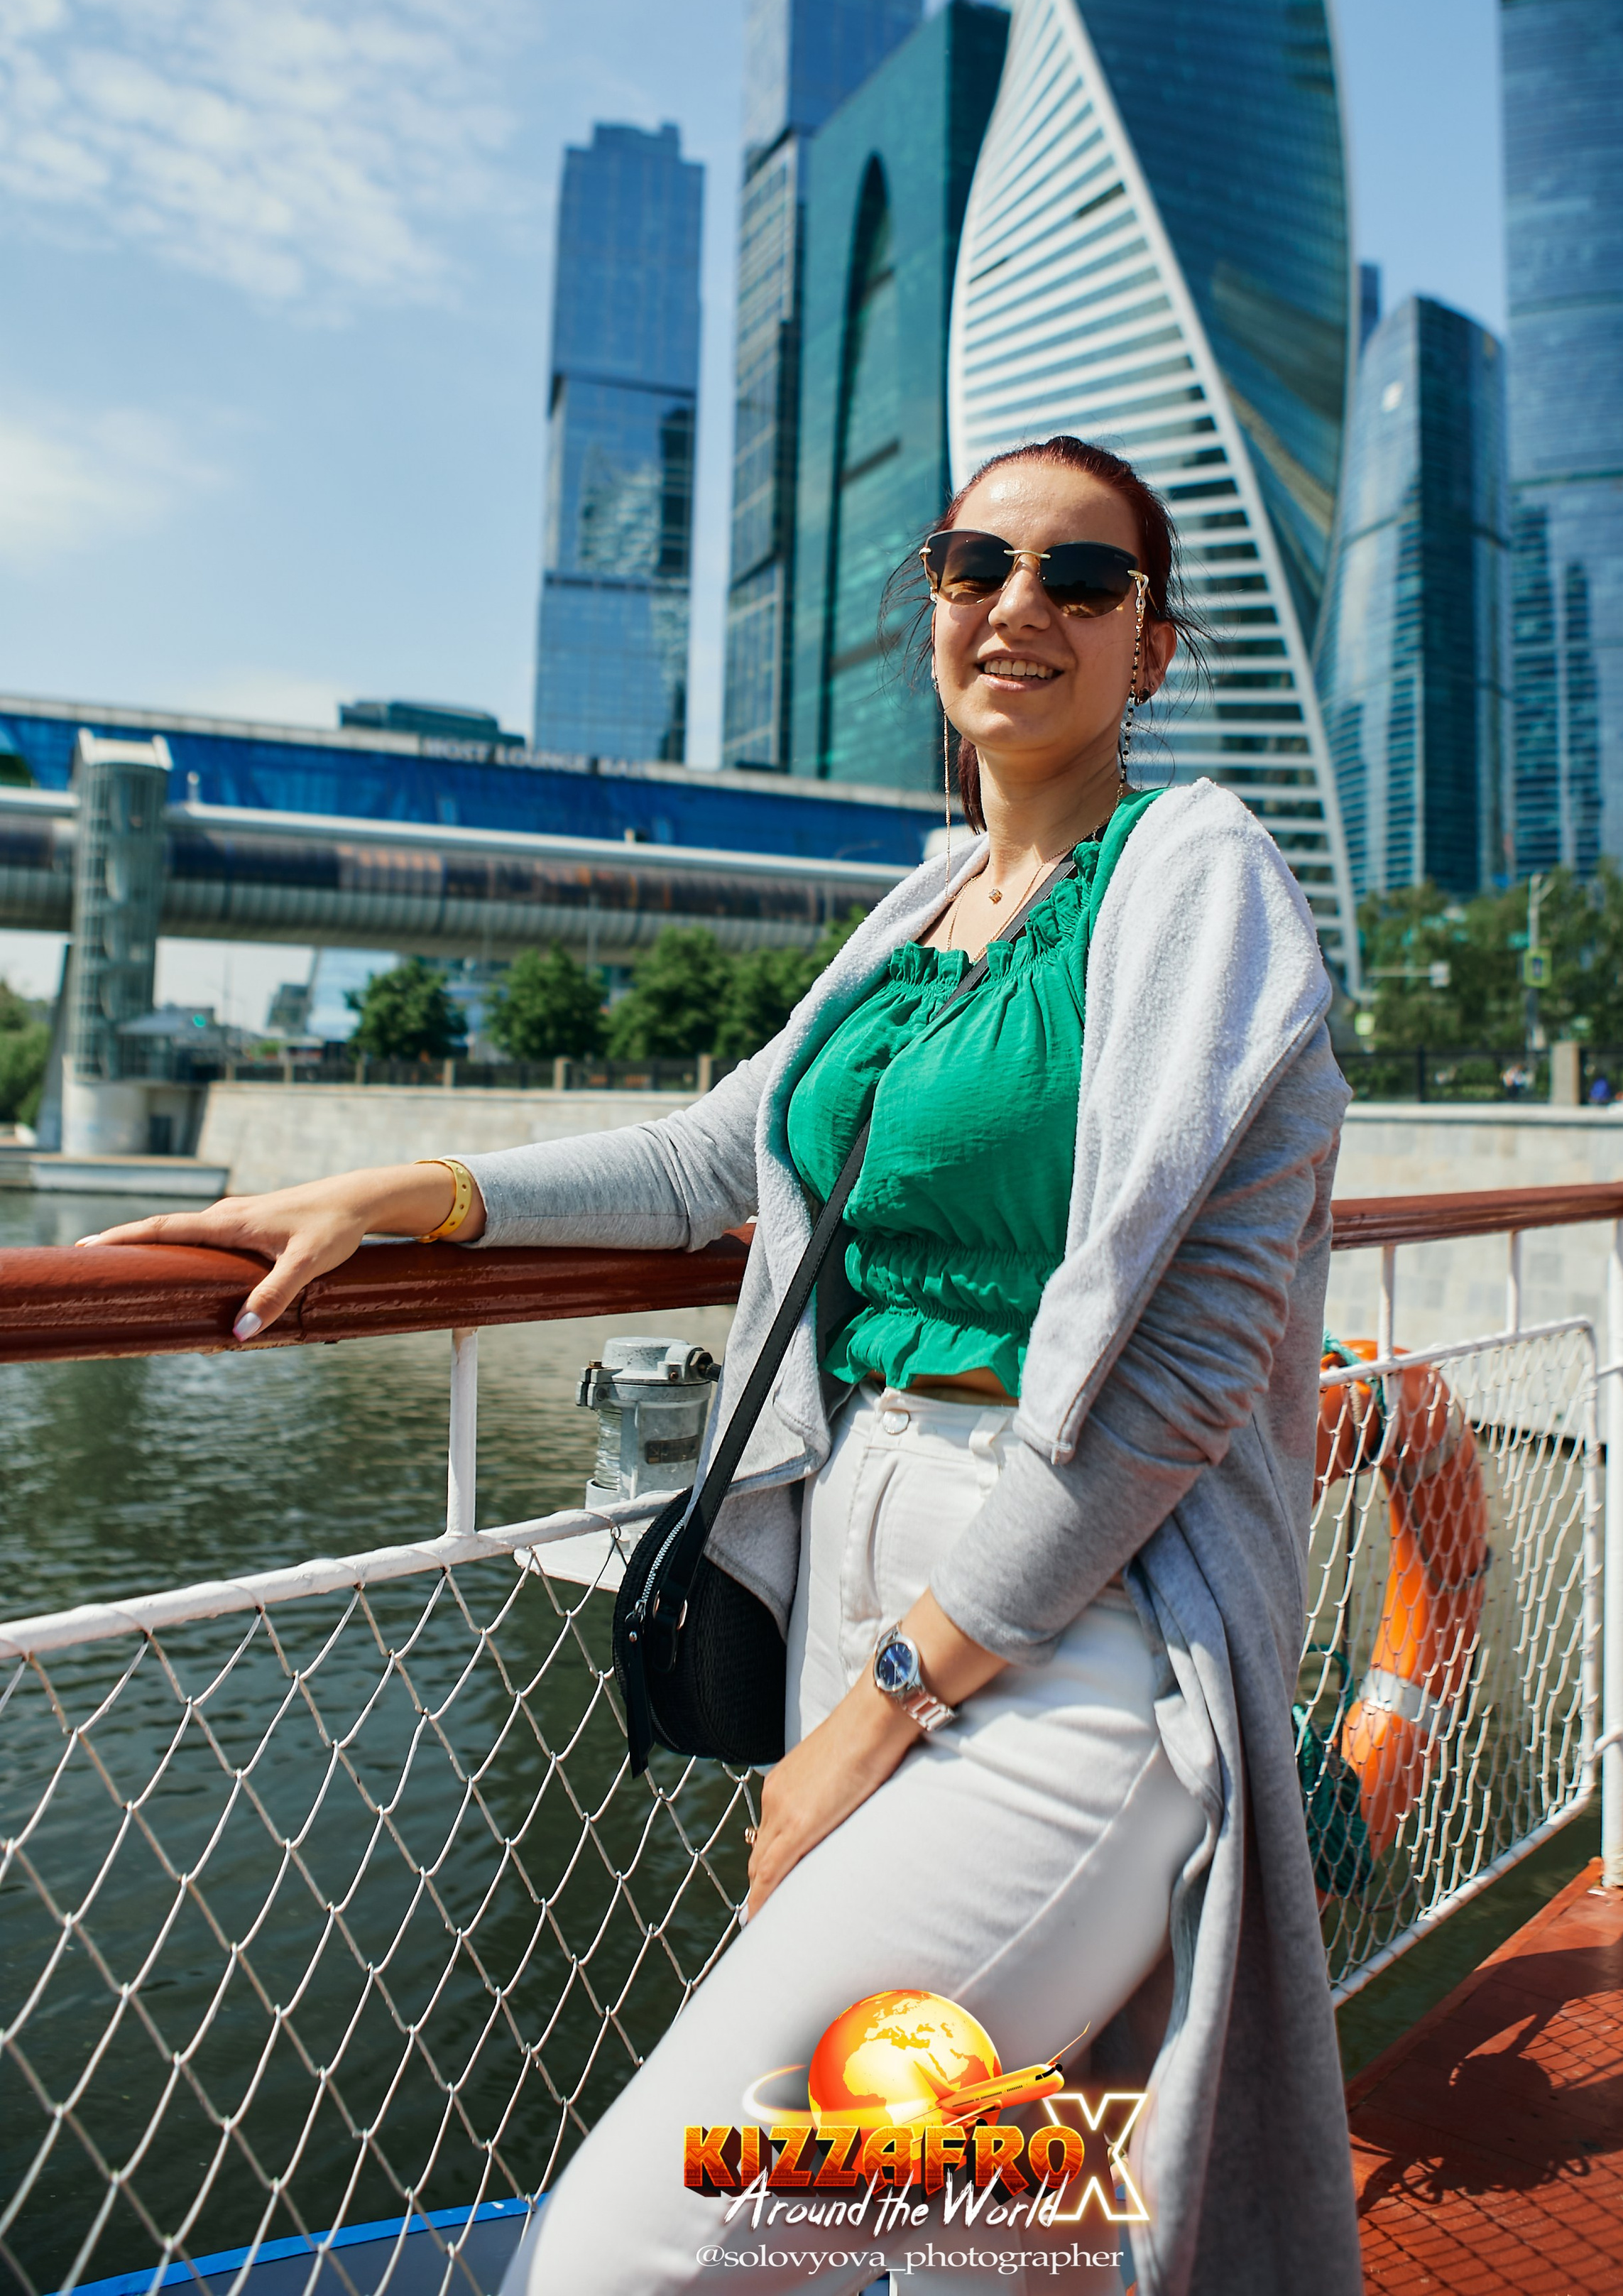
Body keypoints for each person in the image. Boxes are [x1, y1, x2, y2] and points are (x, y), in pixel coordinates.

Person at [84, 437, 1360, 2293]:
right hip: (866, 1563)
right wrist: (407, 1189)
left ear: (1151, 648)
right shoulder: (918, 912)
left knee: (637, 2240)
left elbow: (1175, 1377)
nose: (1019, 606)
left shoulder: (1194, 879)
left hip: (1084, 1628)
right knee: (989, 2198)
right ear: (931, 600)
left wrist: (882, 1710)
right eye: (974, 563)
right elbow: (712, 1157)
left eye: (1082, 581)